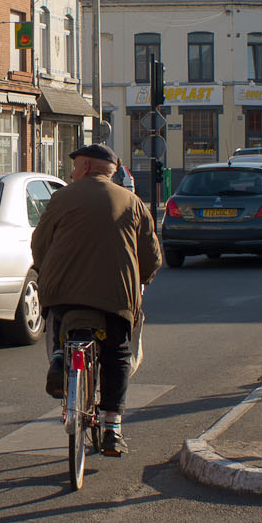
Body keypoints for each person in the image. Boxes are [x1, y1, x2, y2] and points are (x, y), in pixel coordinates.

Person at [29, 142, 162, 456]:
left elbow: (40, 244)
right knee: (117, 352)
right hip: (116, 298)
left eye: (74, 166)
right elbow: (152, 257)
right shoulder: (132, 202)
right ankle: (112, 426)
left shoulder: (61, 198)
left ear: (86, 167)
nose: (71, 172)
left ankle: (61, 355)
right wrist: (140, 281)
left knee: (60, 322)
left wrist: (45, 270)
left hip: (64, 294)